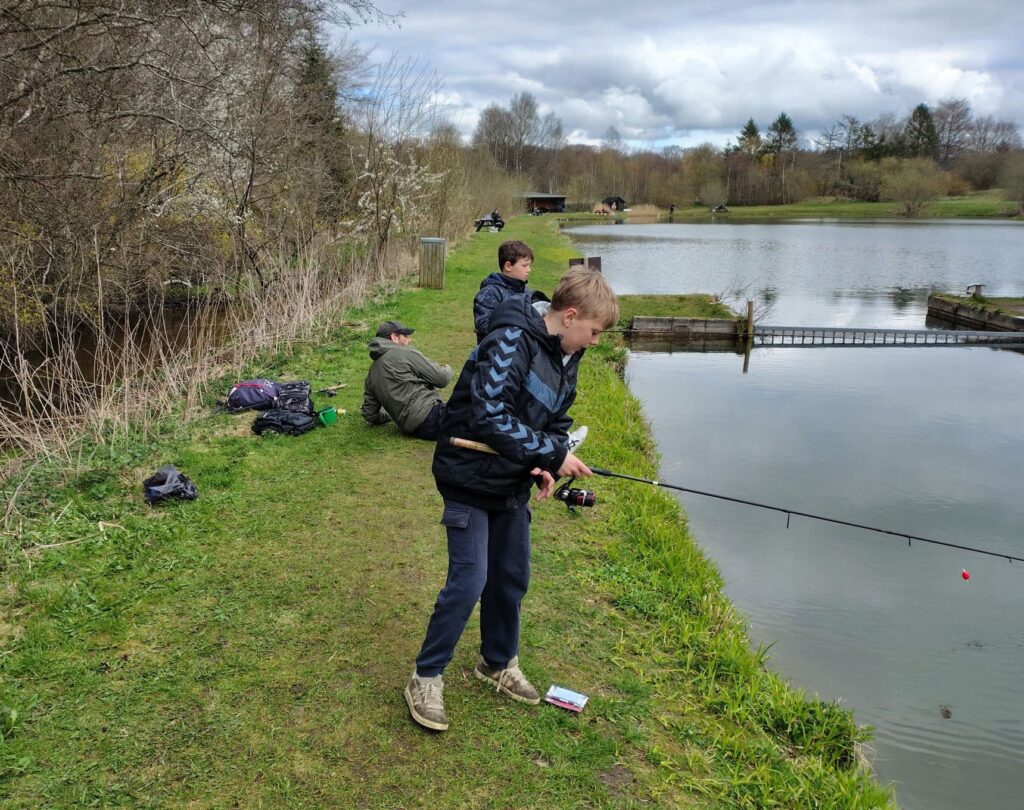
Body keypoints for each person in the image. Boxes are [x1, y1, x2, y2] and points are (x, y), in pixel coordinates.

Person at [404, 267, 619, 732]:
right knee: (470, 579)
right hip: (466, 475)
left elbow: (556, 422)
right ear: (570, 315)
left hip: (509, 481)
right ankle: (425, 676)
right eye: (595, 332)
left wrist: (544, 461)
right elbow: (488, 418)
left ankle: (497, 663)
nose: (596, 342)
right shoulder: (510, 339)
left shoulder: (567, 353)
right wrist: (551, 455)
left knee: (511, 574)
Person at [361, 320, 452, 441]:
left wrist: (388, 417)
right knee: (475, 408)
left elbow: (369, 414)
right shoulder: (403, 352)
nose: (410, 340)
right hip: (433, 417)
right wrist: (447, 368)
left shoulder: (371, 373)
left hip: (414, 430)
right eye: (406, 336)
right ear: (394, 337)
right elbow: (442, 379)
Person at [473, 240, 537, 344]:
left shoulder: (525, 291)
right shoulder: (489, 293)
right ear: (508, 266)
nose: (529, 269)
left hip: (521, 350)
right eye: (525, 266)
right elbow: (483, 326)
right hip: (494, 353)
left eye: (529, 265)